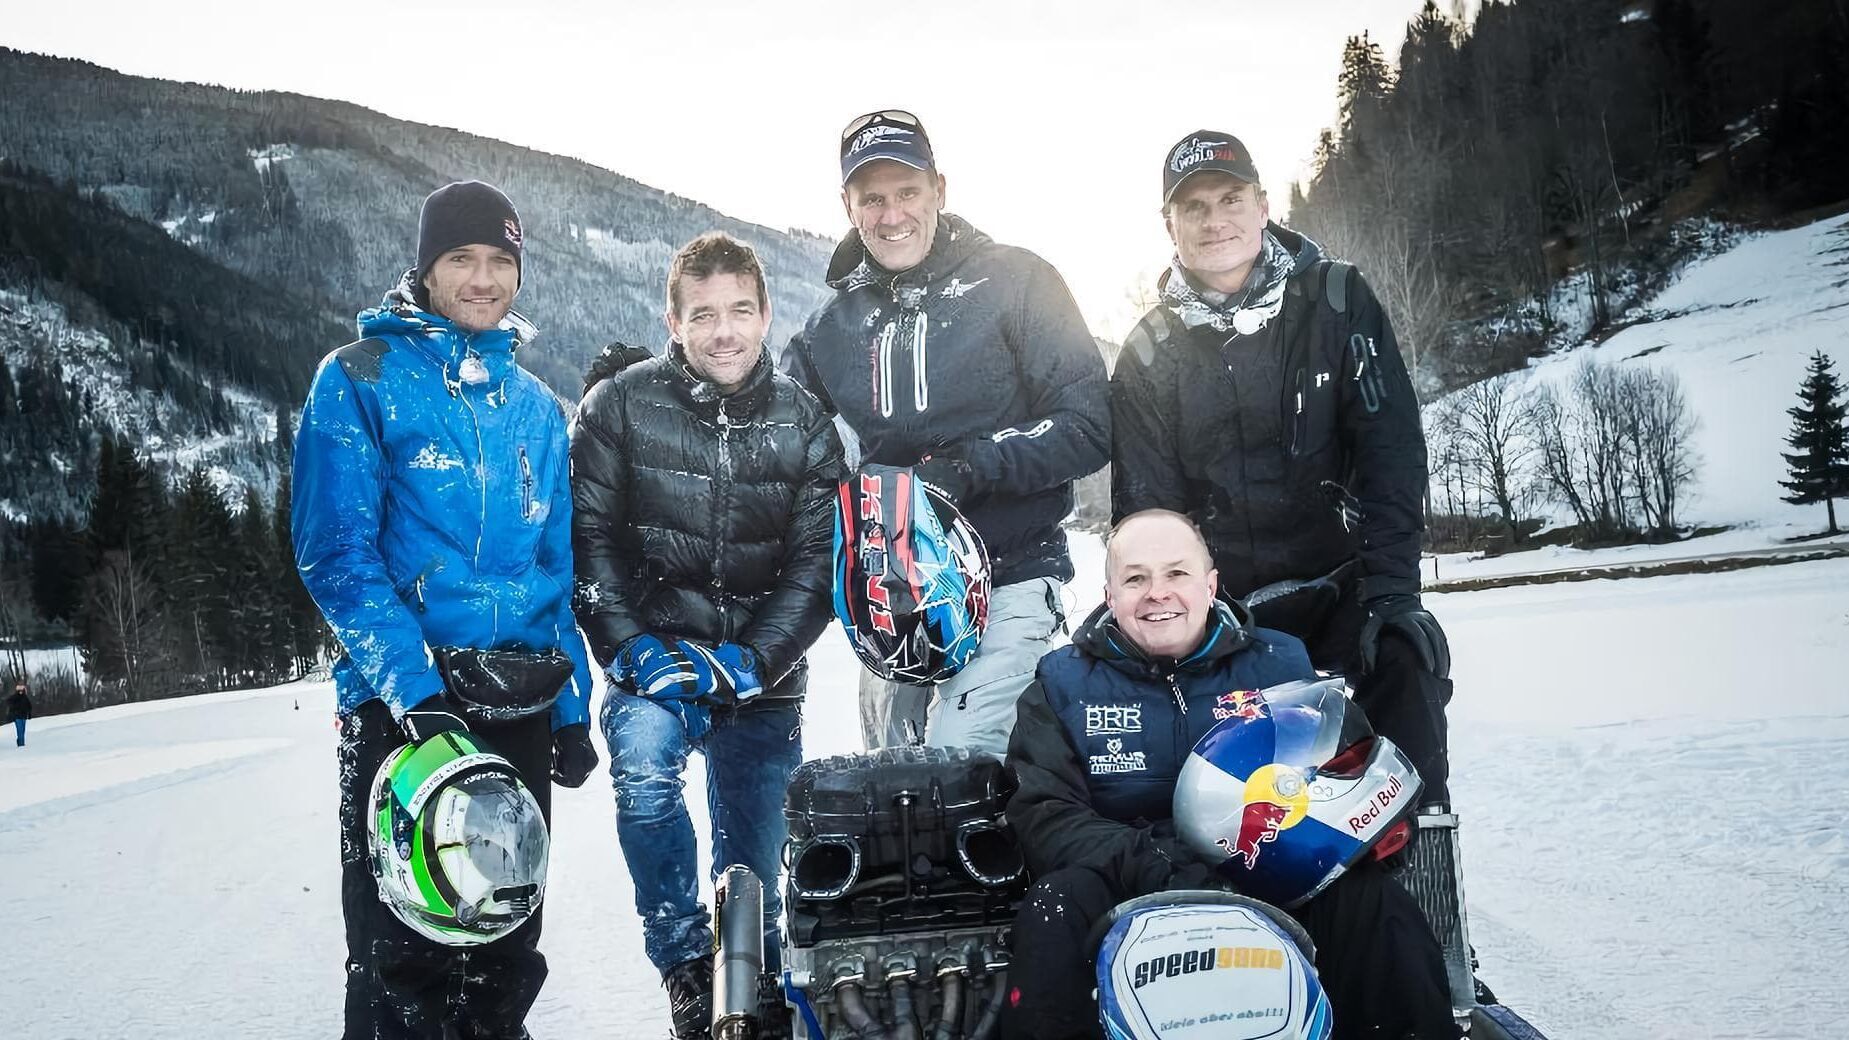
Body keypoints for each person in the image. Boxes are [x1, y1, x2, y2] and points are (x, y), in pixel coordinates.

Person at [293, 180, 596, 1040]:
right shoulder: (360, 378)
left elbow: (553, 571)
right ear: (425, 269)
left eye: (500, 260)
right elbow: (337, 554)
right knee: (404, 952)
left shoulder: (534, 407)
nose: (482, 279)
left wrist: (570, 711)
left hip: (519, 698)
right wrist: (413, 689)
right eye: (461, 258)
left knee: (504, 938)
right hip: (407, 708)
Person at [1002, 510, 1457, 1040]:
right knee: (1053, 906)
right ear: (1109, 594)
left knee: (1373, 903)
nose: (1157, 593)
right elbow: (1044, 813)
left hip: (1270, 870)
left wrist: (1365, 826)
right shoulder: (1061, 684)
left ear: (1211, 584)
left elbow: (1340, 767)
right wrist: (1156, 863)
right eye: (1135, 578)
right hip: (1123, 879)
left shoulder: (1279, 663)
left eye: (1177, 573)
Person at [1111, 130, 1453, 809]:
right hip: (1227, 607)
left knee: (1407, 655)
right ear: (1169, 225)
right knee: (1219, 764)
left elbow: (1390, 451)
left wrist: (1392, 591)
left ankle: (1417, 845)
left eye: (1230, 200)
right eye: (1193, 207)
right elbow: (1149, 518)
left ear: (1263, 206)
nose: (1215, 221)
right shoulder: (1147, 354)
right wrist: (1179, 618)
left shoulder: (1338, 300)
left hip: (1344, 579)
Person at [571, 231, 845, 1040]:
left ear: (764, 315)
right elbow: (589, 540)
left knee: (753, 871)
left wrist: (751, 662)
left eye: (739, 311)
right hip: (652, 662)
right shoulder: (619, 406)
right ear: (674, 321)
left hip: (759, 679)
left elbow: (814, 565)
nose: (724, 331)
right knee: (644, 773)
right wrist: (630, 649)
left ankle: (751, 985)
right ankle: (684, 960)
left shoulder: (804, 423)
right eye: (703, 314)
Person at [782, 109, 1109, 756]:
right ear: (847, 206)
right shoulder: (831, 326)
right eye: (871, 198)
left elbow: (1088, 423)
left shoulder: (1017, 281)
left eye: (908, 191)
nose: (892, 214)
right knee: (893, 776)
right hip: (891, 593)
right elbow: (772, 430)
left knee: (964, 758)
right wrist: (653, 387)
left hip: (1011, 574)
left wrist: (968, 467)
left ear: (939, 189)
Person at [8, 680, 30, 747]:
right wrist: (14, 708)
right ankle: (21, 745)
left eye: (21, 690)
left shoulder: (25, 697)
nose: (20, 691)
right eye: (19, 690)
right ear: (17, 690)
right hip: (17, 716)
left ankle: (20, 741)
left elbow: (29, 706)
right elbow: (9, 701)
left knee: (22, 731)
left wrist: (29, 713)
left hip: (24, 716)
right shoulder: (15, 697)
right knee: (20, 731)